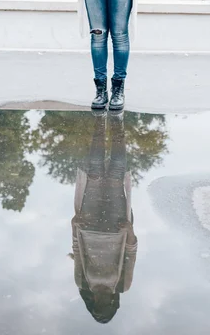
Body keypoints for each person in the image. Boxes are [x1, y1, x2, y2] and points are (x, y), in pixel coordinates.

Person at [70, 111, 137, 323]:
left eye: (97, 306)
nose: (101, 303)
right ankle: (117, 119)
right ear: (111, 305)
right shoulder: (121, 285)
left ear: (92, 304)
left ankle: (100, 120)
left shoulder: (82, 282)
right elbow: (131, 254)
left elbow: (77, 249)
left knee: (95, 172)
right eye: (104, 306)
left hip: (88, 224)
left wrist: (74, 224)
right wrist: (129, 230)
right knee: (117, 171)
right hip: (117, 225)